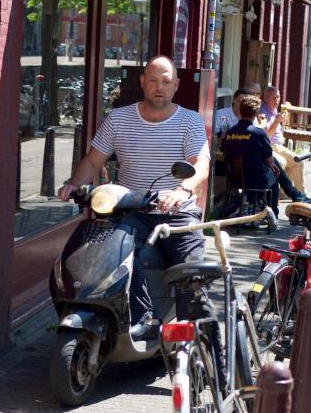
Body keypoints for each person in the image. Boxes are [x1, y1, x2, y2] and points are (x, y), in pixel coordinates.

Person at [57, 55, 209, 341]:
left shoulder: (189, 121)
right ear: (142, 82)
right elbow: (93, 160)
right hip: (132, 211)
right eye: (153, 80)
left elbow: (200, 164)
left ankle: (197, 343)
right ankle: (144, 317)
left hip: (178, 213)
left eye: (166, 82)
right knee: (117, 254)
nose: (159, 87)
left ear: (176, 85)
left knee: (190, 274)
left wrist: (182, 190)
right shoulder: (118, 118)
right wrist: (73, 184)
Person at [258, 85, 307, 196]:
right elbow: (266, 136)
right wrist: (277, 121)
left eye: (278, 97)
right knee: (291, 162)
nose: (277, 100)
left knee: (296, 162)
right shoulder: (263, 112)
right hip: (270, 147)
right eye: (274, 97)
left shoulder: (274, 110)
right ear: (265, 98)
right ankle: (295, 193)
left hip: (278, 146)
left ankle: (289, 192)